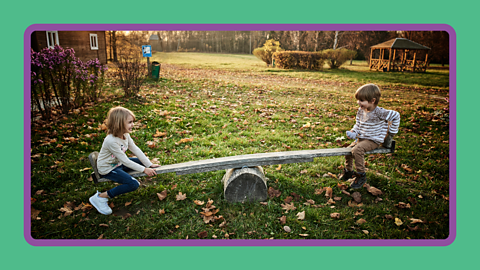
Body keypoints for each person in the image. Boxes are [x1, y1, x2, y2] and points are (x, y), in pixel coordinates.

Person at [89, 106, 160, 215]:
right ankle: (100, 197)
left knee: (141, 162)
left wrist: (148, 164)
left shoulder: (125, 135)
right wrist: (144, 170)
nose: (133, 125)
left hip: (118, 163)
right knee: (133, 184)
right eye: (130, 122)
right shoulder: (111, 141)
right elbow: (126, 161)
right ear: (119, 123)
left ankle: (144, 165)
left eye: (133, 122)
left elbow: (135, 149)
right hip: (108, 168)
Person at [341, 84, 400, 188]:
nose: (358, 102)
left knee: (356, 150)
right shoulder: (361, 110)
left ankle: (361, 175)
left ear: (372, 101)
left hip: (373, 140)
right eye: (358, 100)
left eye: (362, 100)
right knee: (348, 150)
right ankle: (349, 171)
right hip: (361, 138)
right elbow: (358, 124)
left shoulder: (380, 112)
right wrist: (354, 131)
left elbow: (396, 115)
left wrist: (391, 132)